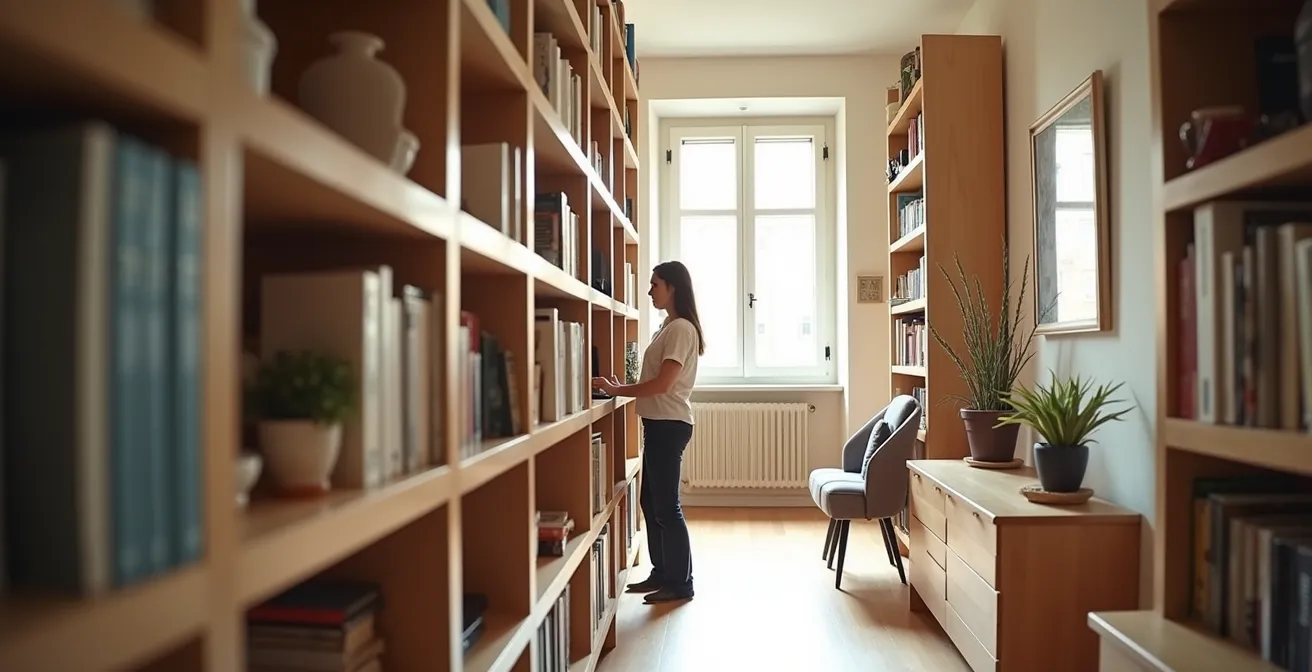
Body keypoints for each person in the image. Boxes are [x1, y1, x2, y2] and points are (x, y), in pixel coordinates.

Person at [591, 260, 704, 604]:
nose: (650, 290)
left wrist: (616, 389)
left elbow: (663, 384)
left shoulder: (681, 328)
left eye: (655, 284)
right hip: (659, 424)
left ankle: (681, 583)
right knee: (650, 501)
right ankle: (663, 573)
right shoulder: (668, 327)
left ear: (672, 287)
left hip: (669, 426)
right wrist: (620, 388)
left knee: (667, 507)